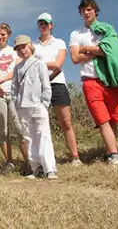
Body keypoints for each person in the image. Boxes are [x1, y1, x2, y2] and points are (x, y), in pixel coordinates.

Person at [69, 0, 118, 167]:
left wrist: (87, 49)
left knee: (114, 119)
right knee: (102, 120)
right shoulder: (76, 34)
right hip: (90, 80)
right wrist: (98, 51)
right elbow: (75, 57)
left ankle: (110, 152)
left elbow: (113, 51)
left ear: (95, 11)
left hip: (110, 79)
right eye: (83, 10)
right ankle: (115, 155)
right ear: (80, 13)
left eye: (89, 9)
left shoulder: (107, 29)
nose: (86, 13)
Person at [33, 13, 81, 165]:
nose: (43, 26)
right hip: (39, 87)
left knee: (65, 122)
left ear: (51, 25)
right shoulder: (33, 45)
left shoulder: (59, 42)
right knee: (40, 125)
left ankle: (75, 157)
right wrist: (46, 64)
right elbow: (31, 64)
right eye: (41, 23)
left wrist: (39, 63)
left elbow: (58, 64)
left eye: (46, 23)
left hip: (57, 84)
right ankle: (44, 159)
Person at [11, 35, 58, 180]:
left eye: (23, 47)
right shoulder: (17, 68)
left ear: (30, 46)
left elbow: (46, 86)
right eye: (18, 49)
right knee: (29, 137)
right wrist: (16, 103)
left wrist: (44, 103)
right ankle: (35, 167)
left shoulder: (39, 64)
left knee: (43, 135)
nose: (22, 51)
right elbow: (14, 88)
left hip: (38, 105)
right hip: (22, 107)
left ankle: (50, 168)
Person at [0, 22, 27, 169]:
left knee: (20, 128)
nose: (0, 37)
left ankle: (29, 161)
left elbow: (16, 70)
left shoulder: (14, 51)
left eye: (3, 34)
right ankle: (9, 162)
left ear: (8, 35)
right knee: (3, 130)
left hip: (13, 91)